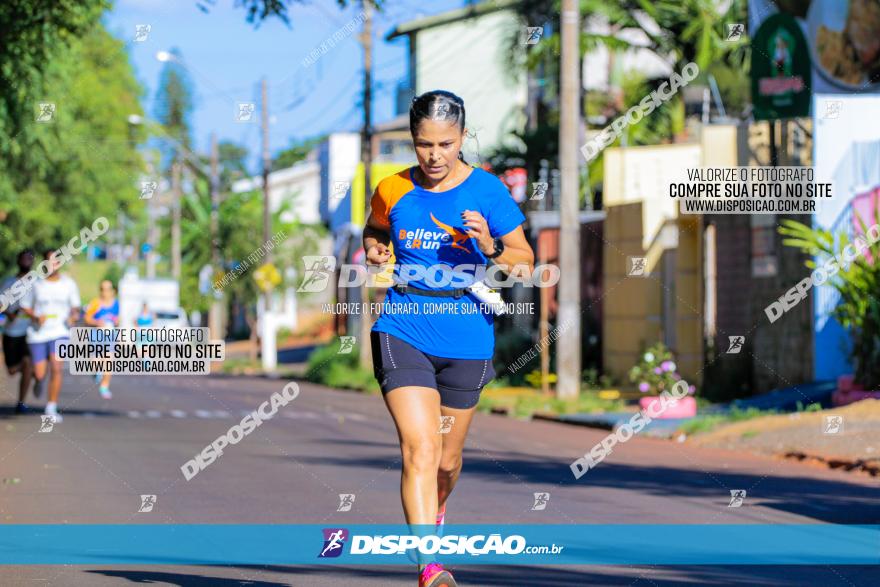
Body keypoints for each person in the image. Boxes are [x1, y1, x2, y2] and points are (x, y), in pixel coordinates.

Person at [363, 90, 535, 587]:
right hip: (403, 324)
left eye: (445, 143)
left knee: (446, 462)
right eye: (423, 144)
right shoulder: (392, 187)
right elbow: (374, 229)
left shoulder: (486, 190)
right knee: (419, 449)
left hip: (466, 335)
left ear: (462, 137)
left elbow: (524, 260)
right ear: (412, 141)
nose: (434, 156)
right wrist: (375, 250)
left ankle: (436, 517)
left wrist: (489, 245)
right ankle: (430, 567)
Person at [20, 248, 82, 423]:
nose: (53, 264)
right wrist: (35, 316)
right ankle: (38, 380)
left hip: (59, 331)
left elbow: (75, 307)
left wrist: (73, 316)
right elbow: (25, 305)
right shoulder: (36, 284)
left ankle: (51, 406)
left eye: (56, 261)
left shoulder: (69, 284)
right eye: (49, 261)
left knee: (56, 366)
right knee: (40, 374)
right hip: (38, 333)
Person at [2, 250, 36, 414]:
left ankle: (21, 402)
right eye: (23, 258)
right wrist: (9, 313)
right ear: (18, 260)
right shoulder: (8, 282)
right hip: (11, 331)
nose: (26, 261)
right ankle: (35, 371)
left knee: (28, 362)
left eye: (29, 258)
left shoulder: (36, 283)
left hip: (30, 332)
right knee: (12, 370)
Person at [84, 280, 119, 399]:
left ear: (112, 291)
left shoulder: (116, 304)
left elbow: (118, 319)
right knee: (95, 362)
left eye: (108, 289)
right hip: (96, 336)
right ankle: (95, 372)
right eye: (103, 289)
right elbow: (87, 319)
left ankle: (104, 387)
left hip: (110, 336)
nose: (106, 292)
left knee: (109, 362)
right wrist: (97, 322)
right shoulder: (95, 303)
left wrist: (116, 322)